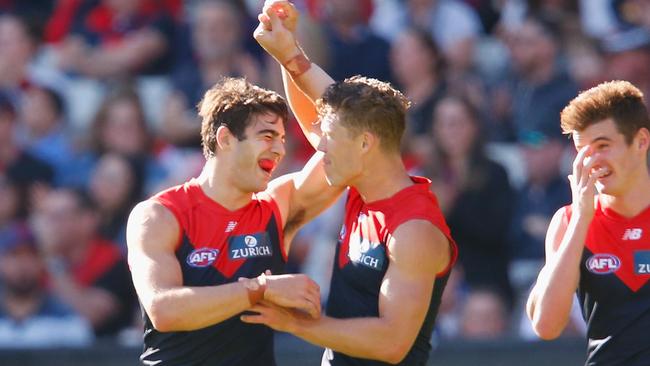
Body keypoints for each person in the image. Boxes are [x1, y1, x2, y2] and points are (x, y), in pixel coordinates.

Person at [243, 3, 457, 365]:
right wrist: (288, 52)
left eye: (329, 138)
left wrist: (295, 323)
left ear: (364, 144)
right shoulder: (364, 180)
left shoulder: (413, 230)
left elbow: (392, 343)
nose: (318, 144)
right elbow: (329, 112)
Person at [126, 77, 344, 365]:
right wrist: (261, 289)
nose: (279, 150)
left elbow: (347, 142)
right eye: (267, 136)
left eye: (281, 139)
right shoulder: (160, 214)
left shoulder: (277, 206)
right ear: (225, 139)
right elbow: (163, 309)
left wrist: (289, 57)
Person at [526, 80, 650, 365]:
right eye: (583, 150)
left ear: (641, 141)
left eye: (603, 145)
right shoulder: (570, 220)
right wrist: (582, 217)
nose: (592, 160)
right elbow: (545, 325)